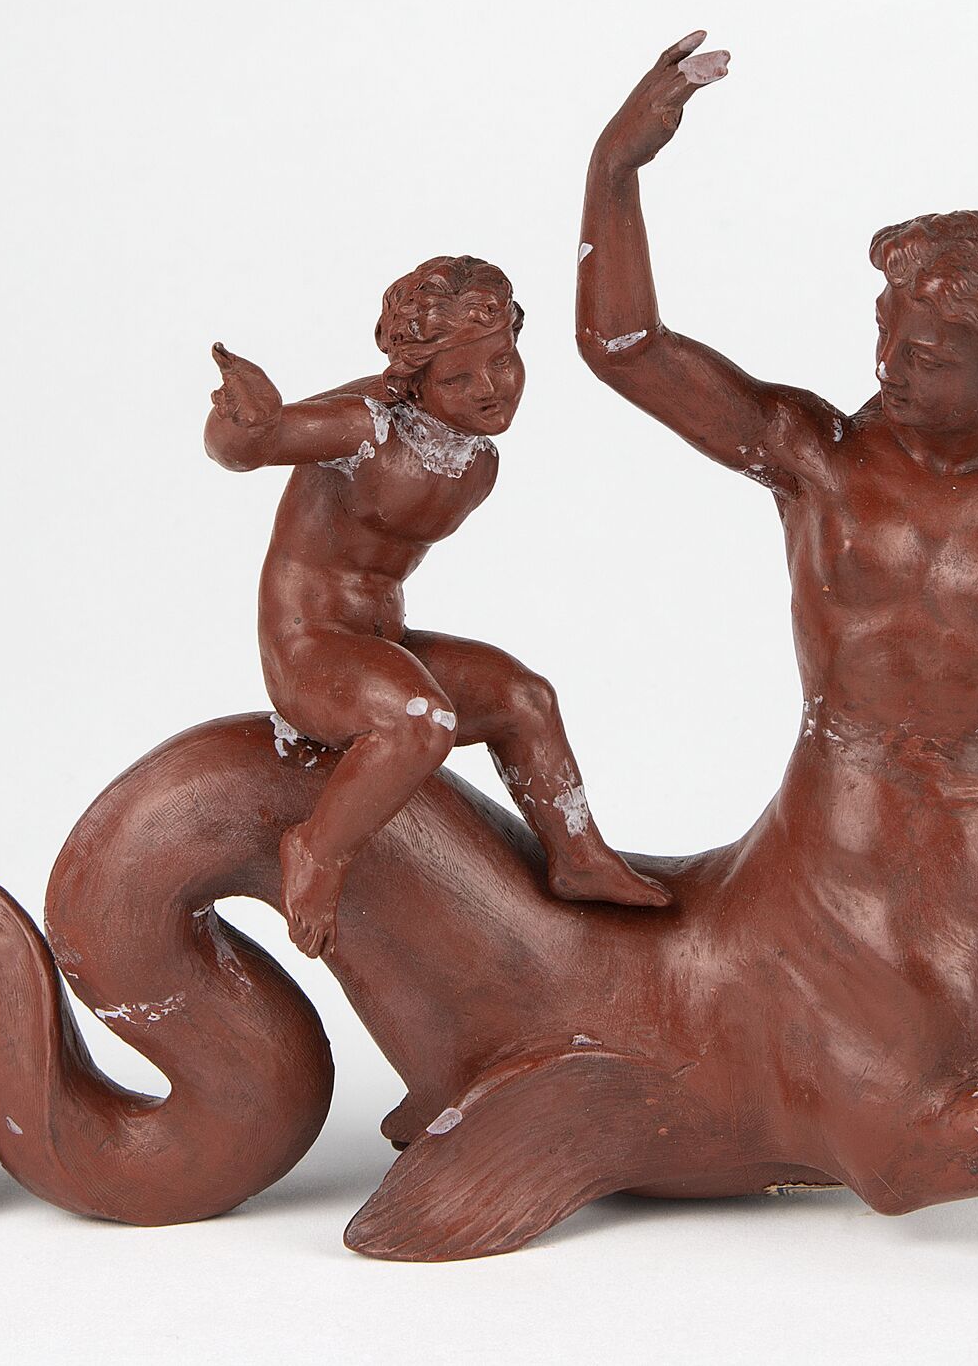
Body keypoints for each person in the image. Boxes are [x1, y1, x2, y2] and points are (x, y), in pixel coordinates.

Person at [205, 255, 671, 957]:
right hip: (310, 653)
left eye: (503, 362)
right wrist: (242, 424)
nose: (490, 390)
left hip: (382, 644)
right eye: (458, 379)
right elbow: (254, 447)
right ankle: (316, 850)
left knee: (524, 699)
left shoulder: (476, 457)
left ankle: (578, 856)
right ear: (413, 380)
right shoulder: (367, 427)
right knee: (421, 720)